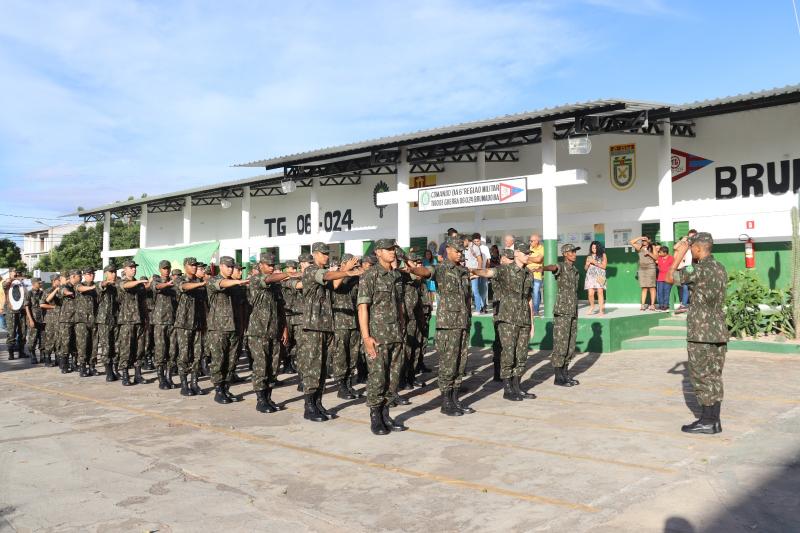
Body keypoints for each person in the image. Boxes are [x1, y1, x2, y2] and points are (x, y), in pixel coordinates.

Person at [667, 232, 728, 434]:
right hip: (718, 330)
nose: (691, 250)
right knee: (714, 376)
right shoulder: (720, 268)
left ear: (699, 249)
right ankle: (714, 421)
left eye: (692, 248)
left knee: (701, 377)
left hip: (701, 333)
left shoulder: (698, 269)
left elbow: (669, 276)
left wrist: (679, 254)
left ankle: (707, 421)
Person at [297, 242, 360, 422]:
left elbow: (335, 284)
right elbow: (329, 275)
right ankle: (309, 407)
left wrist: (346, 270)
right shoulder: (310, 271)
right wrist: (346, 271)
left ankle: (318, 404)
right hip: (313, 327)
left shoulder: (324, 274)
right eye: (323, 254)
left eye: (327, 254)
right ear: (315, 254)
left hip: (327, 326)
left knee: (323, 368)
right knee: (313, 368)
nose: (326, 257)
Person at [357, 239, 414, 435]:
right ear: (378, 252)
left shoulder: (396, 275)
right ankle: (375, 416)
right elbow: (363, 307)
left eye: (394, 249)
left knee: (393, 377)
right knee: (377, 378)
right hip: (377, 336)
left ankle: (386, 414)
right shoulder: (370, 276)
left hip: (396, 335)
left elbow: (399, 305)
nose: (393, 252)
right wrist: (366, 337)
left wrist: (402, 327)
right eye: (389, 249)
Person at [417, 236, 474, 416]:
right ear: (448, 249)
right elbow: (426, 272)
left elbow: (468, 298)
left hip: (463, 323)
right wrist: (410, 269)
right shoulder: (440, 269)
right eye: (457, 251)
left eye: (461, 251)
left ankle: (456, 398)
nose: (459, 254)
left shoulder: (463, 271)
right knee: (448, 364)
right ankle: (446, 401)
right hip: (448, 324)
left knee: (460, 363)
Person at [472, 242, 536, 400]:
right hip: (507, 318)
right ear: (517, 254)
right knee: (508, 353)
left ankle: (517, 386)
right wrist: (472, 270)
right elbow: (487, 272)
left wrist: (532, 322)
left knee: (521, 355)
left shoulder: (529, 273)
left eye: (529, 253)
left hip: (523, 319)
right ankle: (507, 389)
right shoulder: (504, 270)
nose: (528, 255)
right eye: (525, 253)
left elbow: (528, 299)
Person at [247, 252, 294, 413]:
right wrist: (287, 273)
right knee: (261, 366)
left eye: (273, 265)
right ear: (261, 265)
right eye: (268, 265)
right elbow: (267, 279)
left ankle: (268, 397)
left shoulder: (276, 285)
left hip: (274, 331)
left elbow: (281, 308)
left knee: (273, 367)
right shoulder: (256, 279)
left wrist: (285, 329)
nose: (271, 267)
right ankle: (260, 400)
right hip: (258, 331)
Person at [206, 256, 250, 404]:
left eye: (232, 267)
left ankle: (226, 388)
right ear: (221, 267)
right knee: (219, 360)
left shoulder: (237, 287)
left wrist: (243, 326)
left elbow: (243, 306)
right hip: (219, 328)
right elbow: (222, 283)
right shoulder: (213, 280)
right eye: (228, 266)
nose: (231, 269)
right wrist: (237, 281)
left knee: (232, 361)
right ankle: (218, 390)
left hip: (235, 328)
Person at [536, 244, 581, 387]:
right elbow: (553, 267)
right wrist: (542, 268)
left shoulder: (575, 270)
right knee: (561, 343)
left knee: (570, 344)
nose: (574, 254)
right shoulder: (561, 266)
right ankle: (558, 377)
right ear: (565, 254)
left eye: (575, 252)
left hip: (572, 310)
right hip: (562, 311)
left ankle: (565, 373)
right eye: (572, 252)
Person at [173, 257, 207, 396]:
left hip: (198, 323)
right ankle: (184, 384)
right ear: (185, 266)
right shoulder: (179, 280)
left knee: (197, 354)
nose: (194, 267)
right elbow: (184, 287)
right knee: (184, 355)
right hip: (184, 323)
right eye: (191, 265)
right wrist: (201, 284)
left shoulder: (199, 282)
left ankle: (194, 382)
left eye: (195, 265)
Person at [331, 253, 362, 400]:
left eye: (355, 265)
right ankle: (341, 386)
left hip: (354, 323)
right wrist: (346, 270)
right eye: (351, 264)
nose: (354, 268)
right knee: (341, 356)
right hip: (340, 324)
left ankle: (349, 383)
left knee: (353, 355)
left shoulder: (356, 280)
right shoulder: (335, 276)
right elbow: (336, 285)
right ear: (343, 264)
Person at [116, 261, 150, 385]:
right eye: (131, 268)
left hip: (139, 320)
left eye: (134, 267)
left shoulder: (139, 285)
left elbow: (143, 303)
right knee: (126, 349)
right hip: (127, 321)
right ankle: (125, 375)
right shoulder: (121, 282)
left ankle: (138, 375)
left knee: (140, 349)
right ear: (125, 269)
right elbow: (126, 286)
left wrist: (147, 319)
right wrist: (140, 282)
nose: (134, 269)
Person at [152, 260, 178, 389]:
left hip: (173, 320)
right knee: (161, 350)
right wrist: (167, 284)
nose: (166, 270)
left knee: (172, 351)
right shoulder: (156, 281)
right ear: (159, 269)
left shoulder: (175, 282)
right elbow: (157, 287)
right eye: (163, 268)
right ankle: (161, 378)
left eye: (168, 268)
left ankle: (169, 376)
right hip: (160, 321)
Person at [489, 248, 514, 381]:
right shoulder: (498, 271)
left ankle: (507, 371)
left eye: (512, 259)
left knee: (510, 343)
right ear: (502, 259)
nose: (510, 262)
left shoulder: (513, 272)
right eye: (508, 259)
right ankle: (497, 372)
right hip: (500, 310)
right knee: (499, 342)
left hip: (511, 311)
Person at [95, 264, 119, 381]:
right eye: (111, 272)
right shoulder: (100, 284)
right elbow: (101, 285)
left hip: (116, 319)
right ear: (105, 274)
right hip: (103, 320)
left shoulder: (117, 286)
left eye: (115, 272)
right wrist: (107, 283)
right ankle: (108, 371)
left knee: (116, 346)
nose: (114, 274)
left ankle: (115, 369)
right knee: (106, 346)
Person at [74, 267, 98, 377]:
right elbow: (81, 289)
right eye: (89, 274)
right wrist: (94, 287)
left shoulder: (96, 287)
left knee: (94, 344)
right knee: (82, 344)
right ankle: (82, 366)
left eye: (92, 274)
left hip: (94, 319)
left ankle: (92, 366)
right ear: (84, 275)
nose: (91, 275)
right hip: (81, 320)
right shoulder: (79, 285)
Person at [58, 269, 81, 373]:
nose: (80, 278)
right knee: (65, 342)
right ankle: (64, 365)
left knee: (76, 342)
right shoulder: (65, 286)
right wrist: (70, 293)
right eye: (79, 276)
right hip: (66, 319)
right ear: (73, 277)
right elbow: (63, 291)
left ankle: (74, 363)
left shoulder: (78, 286)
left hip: (77, 319)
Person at [3, 270, 27, 359]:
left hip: (21, 310)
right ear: (9, 274)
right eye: (14, 273)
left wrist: (21, 281)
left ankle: (21, 351)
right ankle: (11, 353)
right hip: (11, 310)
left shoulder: (20, 284)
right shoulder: (7, 283)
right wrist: (12, 278)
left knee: (23, 332)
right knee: (11, 332)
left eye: (18, 273)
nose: (17, 275)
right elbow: (6, 284)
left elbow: (25, 293)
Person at [40, 274, 62, 367]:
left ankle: (58, 359)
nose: (60, 281)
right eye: (58, 280)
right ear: (54, 281)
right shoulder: (48, 291)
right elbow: (42, 304)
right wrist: (54, 307)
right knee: (50, 339)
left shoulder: (62, 290)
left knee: (59, 339)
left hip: (60, 318)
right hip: (50, 319)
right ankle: (47, 359)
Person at [631, 235, 658, 311]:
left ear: (649, 240)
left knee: (652, 287)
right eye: (643, 240)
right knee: (644, 287)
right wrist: (640, 237)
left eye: (645, 240)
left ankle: (652, 305)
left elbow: (656, 257)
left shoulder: (653, 247)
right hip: (642, 269)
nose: (643, 242)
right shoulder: (639, 247)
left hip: (651, 268)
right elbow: (631, 242)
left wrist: (649, 253)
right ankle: (642, 305)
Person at [675, 229, 698, 314]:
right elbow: (675, 247)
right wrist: (683, 239)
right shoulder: (686, 244)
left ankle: (687, 304)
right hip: (686, 266)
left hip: (693, 266)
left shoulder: (697, 244)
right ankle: (684, 304)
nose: (691, 237)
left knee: (690, 285)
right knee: (685, 285)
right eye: (690, 236)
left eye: (693, 236)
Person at [23, 277, 45, 364]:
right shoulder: (29, 293)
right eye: (39, 282)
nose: (41, 284)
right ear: (33, 283)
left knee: (42, 338)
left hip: (42, 319)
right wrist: (31, 320)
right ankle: (33, 355)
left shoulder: (42, 292)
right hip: (33, 319)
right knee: (33, 338)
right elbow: (27, 307)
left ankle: (42, 355)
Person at [584, 241, 607, 315]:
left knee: (600, 292)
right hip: (590, 276)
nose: (594, 249)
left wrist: (594, 262)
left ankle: (601, 310)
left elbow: (604, 266)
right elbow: (585, 268)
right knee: (590, 293)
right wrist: (587, 265)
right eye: (592, 247)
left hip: (600, 275)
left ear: (599, 248)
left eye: (595, 247)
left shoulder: (603, 255)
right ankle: (592, 306)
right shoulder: (589, 256)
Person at [466, 233, 486, 313]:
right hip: (466, 272)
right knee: (467, 291)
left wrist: (478, 271)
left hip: (474, 272)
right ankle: (469, 308)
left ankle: (478, 308)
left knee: (475, 290)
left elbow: (480, 260)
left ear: (466, 241)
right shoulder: (464, 248)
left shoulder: (475, 248)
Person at [527, 233, 545, 316]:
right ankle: (533, 308)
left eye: (532, 241)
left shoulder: (542, 248)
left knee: (535, 292)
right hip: (528, 274)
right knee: (532, 293)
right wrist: (533, 259)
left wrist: (529, 259)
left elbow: (539, 259)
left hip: (537, 274)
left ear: (537, 241)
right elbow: (524, 259)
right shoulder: (528, 248)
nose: (530, 242)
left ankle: (536, 311)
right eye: (530, 240)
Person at [656, 245, 675, 311]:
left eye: (660, 252)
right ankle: (661, 305)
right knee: (660, 292)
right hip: (660, 278)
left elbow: (672, 267)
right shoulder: (659, 258)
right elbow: (659, 267)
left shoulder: (671, 258)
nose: (659, 253)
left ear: (665, 252)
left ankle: (666, 305)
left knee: (666, 291)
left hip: (668, 278)